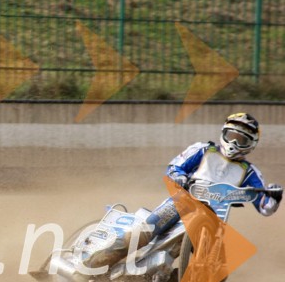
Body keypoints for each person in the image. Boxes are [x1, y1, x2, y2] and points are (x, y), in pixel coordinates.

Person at [84, 113, 281, 269]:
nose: (235, 143)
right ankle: (91, 263)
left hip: (214, 219)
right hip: (183, 201)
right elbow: (174, 167)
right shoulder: (203, 150)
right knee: (143, 234)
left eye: (242, 140)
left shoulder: (250, 172)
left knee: (217, 269)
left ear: (251, 144)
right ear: (223, 133)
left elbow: (265, 206)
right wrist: (179, 176)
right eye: (232, 136)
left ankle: (167, 278)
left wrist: (274, 196)